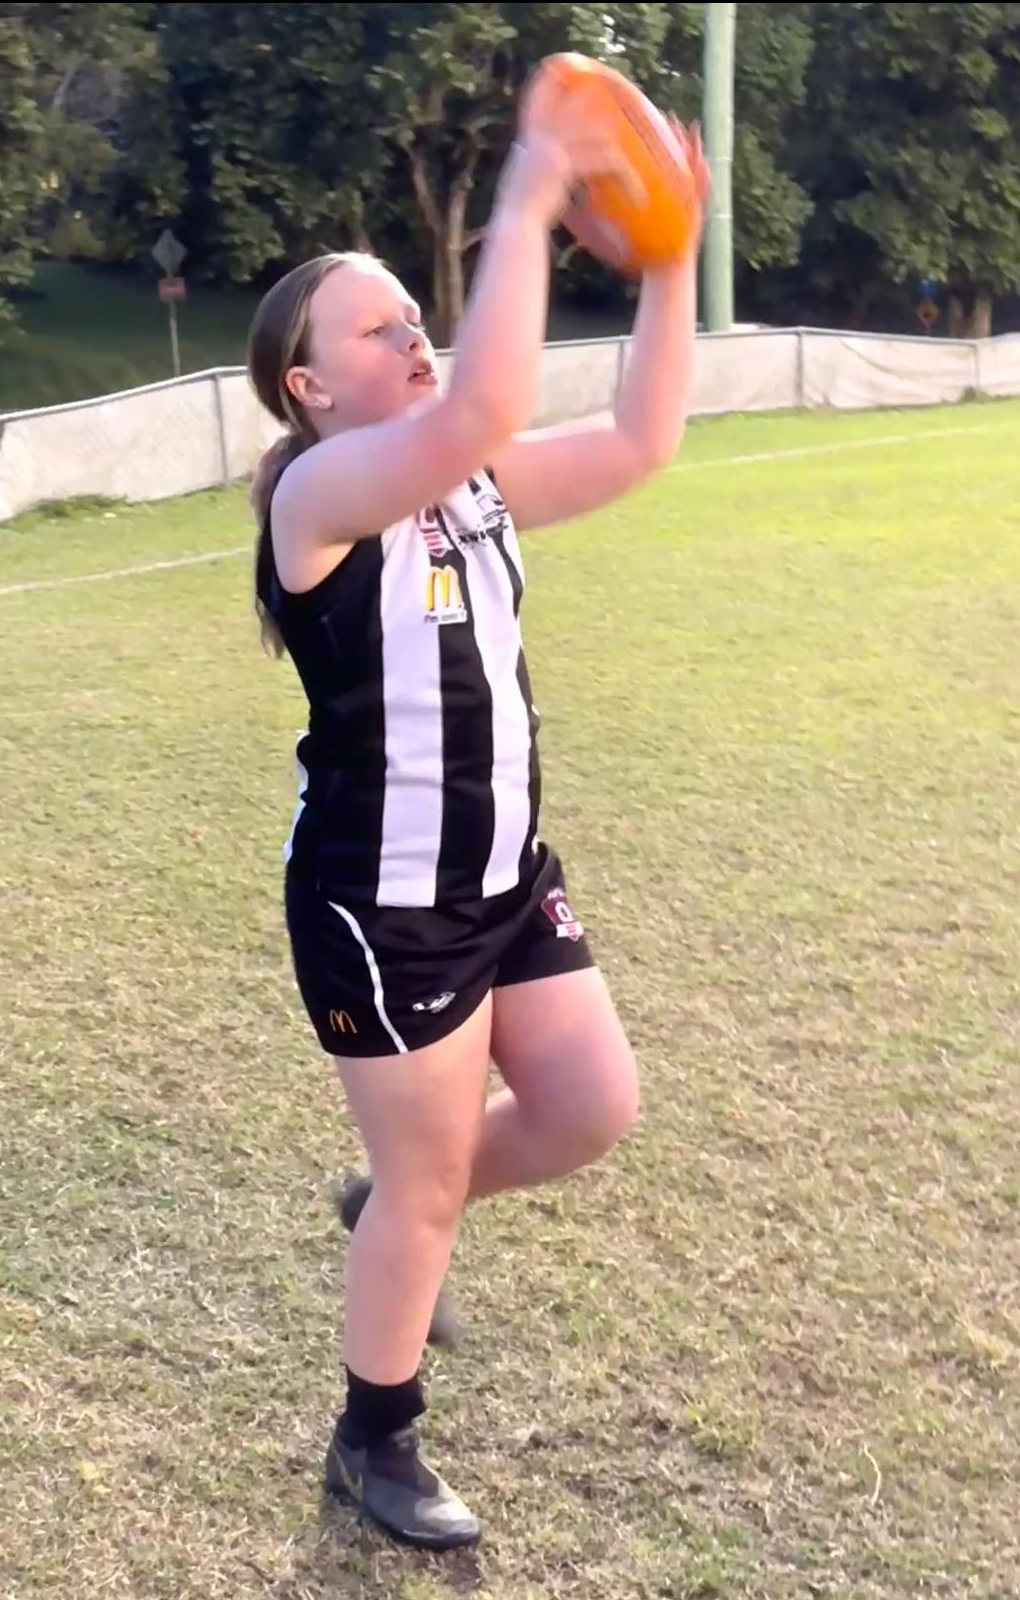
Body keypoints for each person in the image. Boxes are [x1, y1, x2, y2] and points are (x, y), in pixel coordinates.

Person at [247, 84, 709, 1551]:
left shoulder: (470, 486)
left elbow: (639, 440)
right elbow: (481, 409)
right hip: (383, 908)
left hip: (506, 874)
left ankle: (397, 1202)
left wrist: (673, 256)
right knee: (430, 1182)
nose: (411, 335)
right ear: (310, 387)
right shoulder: (319, 498)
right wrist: (532, 185)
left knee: (590, 1105)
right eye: (375, 328)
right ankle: (372, 1442)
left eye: (413, 315)